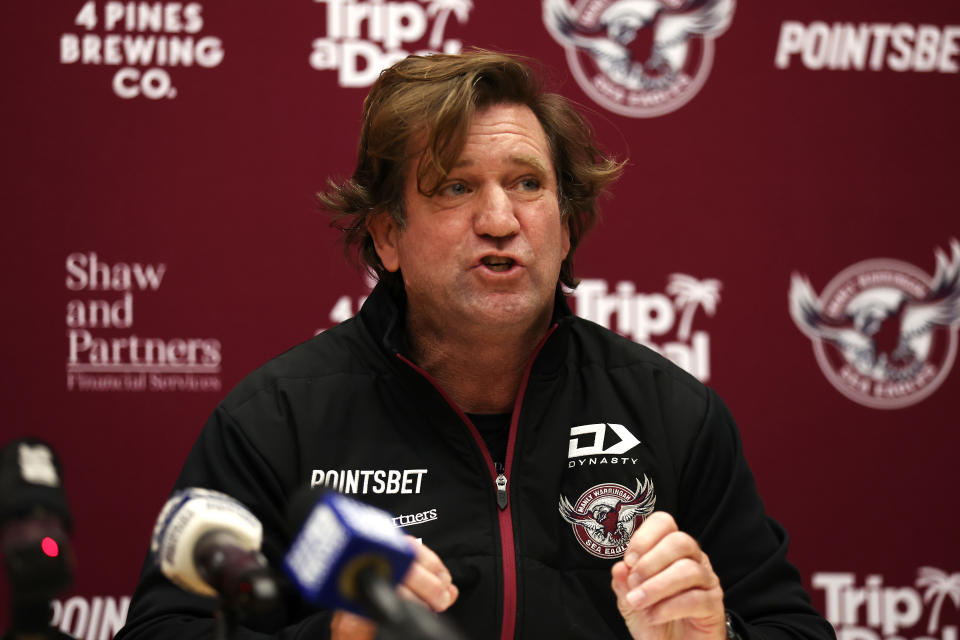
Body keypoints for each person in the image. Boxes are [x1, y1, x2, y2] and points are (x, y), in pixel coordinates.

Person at [117, 50, 835, 640]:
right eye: (456, 186)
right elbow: (160, 632)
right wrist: (332, 638)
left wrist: (718, 638)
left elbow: (793, 631)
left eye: (528, 183)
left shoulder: (670, 414)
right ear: (387, 234)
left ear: (568, 224)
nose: (500, 219)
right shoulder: (276, 422)